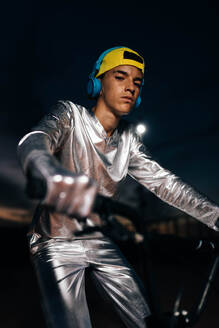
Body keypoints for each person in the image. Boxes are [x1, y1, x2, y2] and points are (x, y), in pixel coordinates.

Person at [17, 46, 219, 328]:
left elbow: (166, 183)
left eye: (137, 82)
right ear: (98, 83)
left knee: (150, 320)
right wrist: (52, 175)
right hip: (55, 239)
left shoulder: (128, 141)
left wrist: (215, 215)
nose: (130, 87)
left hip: (100, 240)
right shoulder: (71, 116)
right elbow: (34, 140)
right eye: (120, 77)